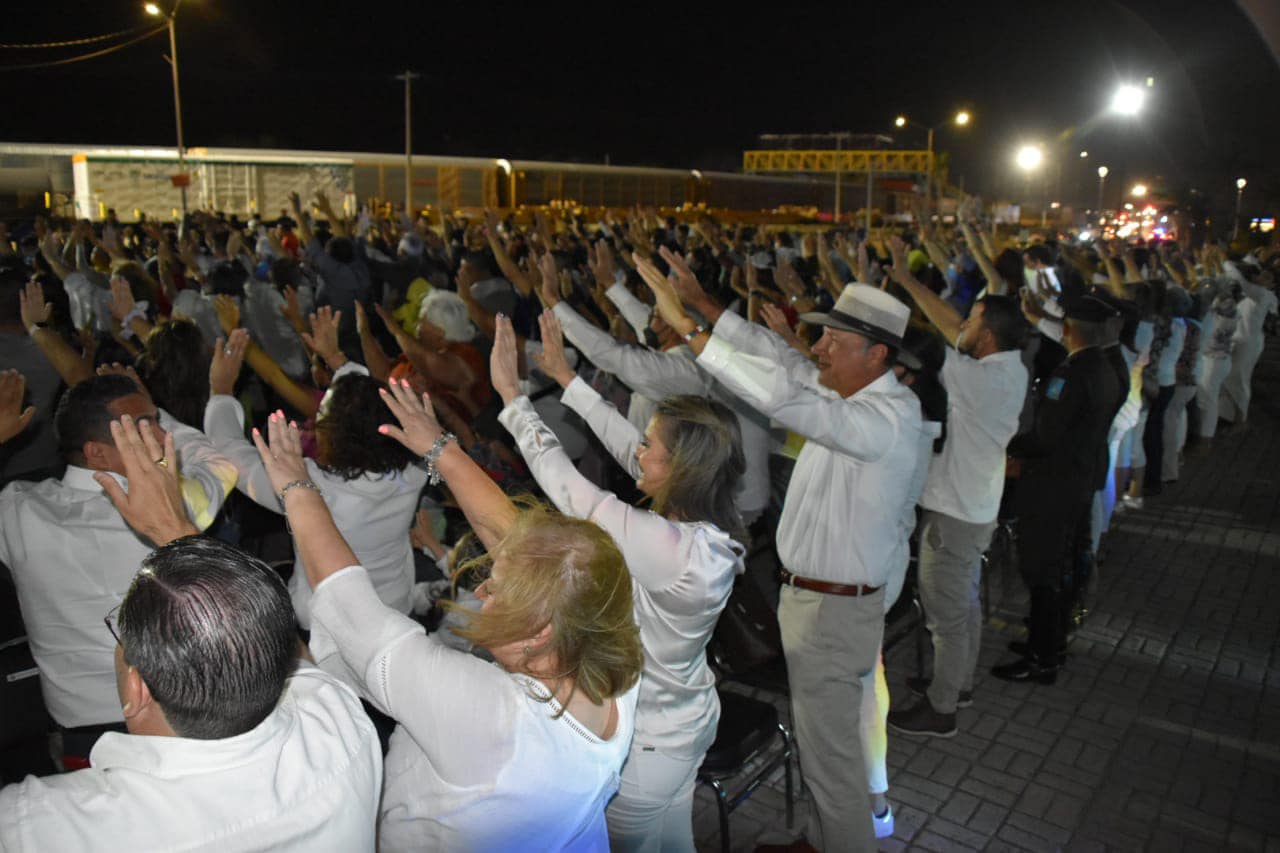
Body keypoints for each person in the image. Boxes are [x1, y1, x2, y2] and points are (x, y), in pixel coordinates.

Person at [256, 381, 645, 849]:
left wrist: (298, 487)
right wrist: (440, 449)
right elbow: (523, 545)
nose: (481, 590)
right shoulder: (609, 642)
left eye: (497, 592)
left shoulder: (494, 717)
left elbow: (352, 607)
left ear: (538, 634)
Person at [639, 257, 922, 852]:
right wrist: (710, 309)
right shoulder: (856, 397)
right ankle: (819, 840)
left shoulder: (884, 418)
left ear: (876, 355)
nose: (817, 348)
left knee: (831, 762)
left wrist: (695, 335)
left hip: (833, 613)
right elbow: (786, 363)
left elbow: (790, 399)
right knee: (826, 749)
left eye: (833, 340)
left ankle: (839, 842)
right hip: (820, 604)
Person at [0, 415, 383, 850]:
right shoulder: (338, 729)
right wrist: (173, 530)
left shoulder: (46, 825)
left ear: (136, 688)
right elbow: (284, 645)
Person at [498, 310, 746, 851]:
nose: (638, 449)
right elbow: (626, 440)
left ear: (679, 466)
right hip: (688, 719)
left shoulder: (670, 549)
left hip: (653, 743)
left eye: (651, 445)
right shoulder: (706, 528)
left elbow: (571, 491)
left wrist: (515, 404)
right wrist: (566, 379)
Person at [0, 373, 235, 742]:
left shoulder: (16, 507)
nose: (162, 439)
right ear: (96, 452)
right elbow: (219, 464)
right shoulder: (176, 504)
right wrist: (169, 411)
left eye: (158, 424)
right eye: (144, 427)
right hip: (180, 721)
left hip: (78, 725)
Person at [882, 237, 1029, 737]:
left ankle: (941, 710)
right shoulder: (1007, 370)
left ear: (987, 337)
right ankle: (956, 684)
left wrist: (904, 281)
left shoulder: (984, 378)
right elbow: (950, 330)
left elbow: (938, 331)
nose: (961, 326)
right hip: (975, 506)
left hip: (957, 514)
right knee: (963, 606)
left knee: (945, 613)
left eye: (972, 322)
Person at [203, 319, 424, 629]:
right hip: (396, 609)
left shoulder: (304, 487)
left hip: (329, 627)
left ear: (331, 436)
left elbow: (228, 450)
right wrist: (337, 359)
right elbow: (370, 407)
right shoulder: (414, 471)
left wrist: (221, 390)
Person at [993, 295, 1126, 682]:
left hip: (1051, 484)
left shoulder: (1071, 374)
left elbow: (1045, 438)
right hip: (1077, 480)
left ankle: (1042, 656)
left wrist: (1009, 445)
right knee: (1057, 566)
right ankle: (1046, 641)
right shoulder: (1105, 367)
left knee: (1042, 571)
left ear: (1067, 330)